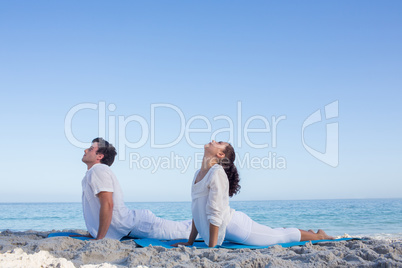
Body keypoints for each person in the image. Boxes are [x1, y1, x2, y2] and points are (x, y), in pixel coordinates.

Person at [173, 140, 334, 247]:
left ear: (220, 155)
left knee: (279, 237)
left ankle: (320, 236)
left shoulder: (217, 173)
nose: (214, 140)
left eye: (219, 143)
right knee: (275, 233)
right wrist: (190, 242)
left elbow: (215, 213)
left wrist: (211, 249)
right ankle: (309, 232)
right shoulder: (197, 174)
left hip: (237, 227)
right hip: (228, 228)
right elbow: (197, 210)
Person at [81, 137, 191, 240]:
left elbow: (108, 204)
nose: (85, 150)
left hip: (140, 225)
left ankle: (205, 221)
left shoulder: (98, 170)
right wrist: (92, 232)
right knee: (185, 228)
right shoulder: (93, 172)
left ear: (99, 156)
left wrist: (99, 239)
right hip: (132, 226)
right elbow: (94, 208)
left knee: (185, 231)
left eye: (90, 149)